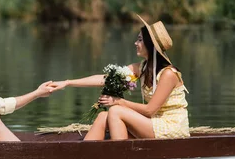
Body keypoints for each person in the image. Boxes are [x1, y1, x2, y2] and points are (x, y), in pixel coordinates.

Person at [54, 15, 189, 140]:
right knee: (103, 116)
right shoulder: (141, 68)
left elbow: (149, 110)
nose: (136, 43)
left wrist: (118, 101)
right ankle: (83, 158)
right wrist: (67, 83)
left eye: (140, 40)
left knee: (116, 111)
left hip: (171, 127)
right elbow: (105, 78)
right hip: (153, 124)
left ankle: (121, 157)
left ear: (151, 45)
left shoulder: (169, 74)